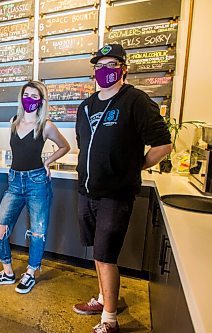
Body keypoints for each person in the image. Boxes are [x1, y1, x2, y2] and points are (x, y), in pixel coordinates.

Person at [73, 44, 172, 333]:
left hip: (116, 195)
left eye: (111, 64)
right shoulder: (87, 105)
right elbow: (86, 146)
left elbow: (163, 144)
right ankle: (104, 299)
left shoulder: (136, 101)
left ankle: (110, 320)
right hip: (87, 191)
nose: (105, 70)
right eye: (100, 65)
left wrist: (135, 166)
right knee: (97, 253)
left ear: (124, 68)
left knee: (106, 256)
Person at [0, 81, 70, 294]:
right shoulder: (13, 121)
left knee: (38, 233)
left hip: (37, 182)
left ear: (41, 101)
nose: (29, 99)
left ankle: (31, 273)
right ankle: (7, 272)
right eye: (26, 95)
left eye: (34, 96)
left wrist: (47, 162)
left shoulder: (46, 125)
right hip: (14, 182)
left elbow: (64, 146)